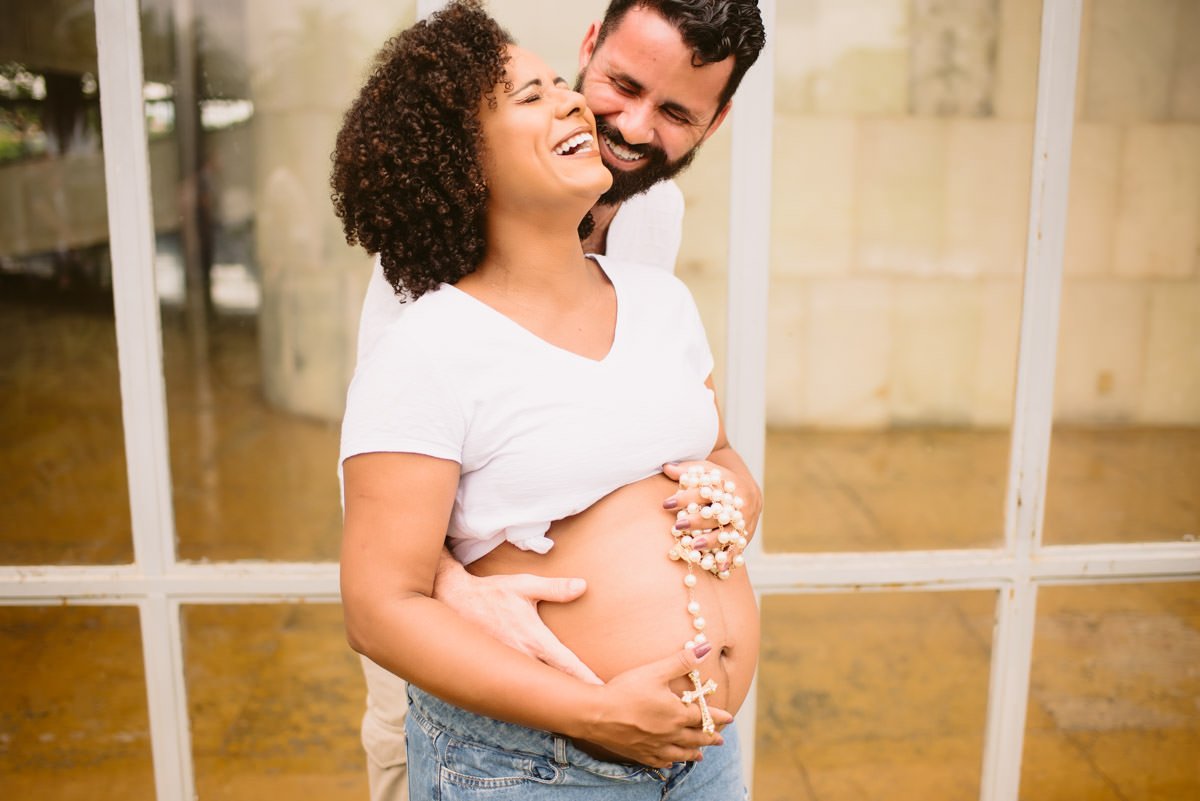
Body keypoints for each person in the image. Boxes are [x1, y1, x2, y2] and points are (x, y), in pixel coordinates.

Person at [332, 2, 762, 798]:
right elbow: (383, 558)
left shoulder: (655, 265)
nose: (625, 125)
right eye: (617, 86)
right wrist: (465, 601)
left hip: (702, 751)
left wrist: (736, 493)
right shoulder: (426, 328)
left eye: (674, 111)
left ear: (714, 119)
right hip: (526, 743)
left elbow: (691, 439)